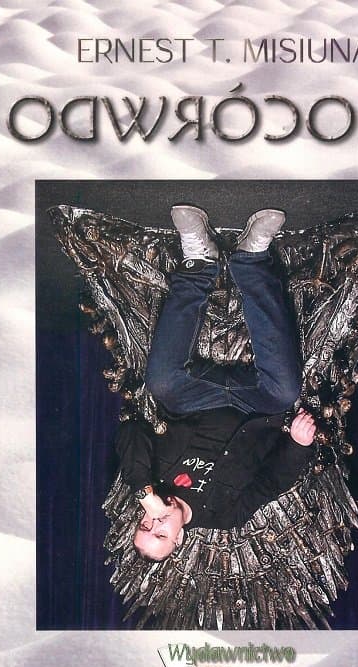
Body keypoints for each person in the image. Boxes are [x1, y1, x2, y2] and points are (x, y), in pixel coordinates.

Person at [115, 204, 317, 561]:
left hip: (194, 399)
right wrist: (298, 445)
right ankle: (252, 261)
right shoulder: (226, 515)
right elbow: (275, 481)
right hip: (255, 406)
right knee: (286, 391)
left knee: (160, 381)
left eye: (145, 526)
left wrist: (142, 489)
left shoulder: (147, 481)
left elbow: (131, 432)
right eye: (161, 534)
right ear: (178, 539)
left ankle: (199, 261)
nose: (155, 523)